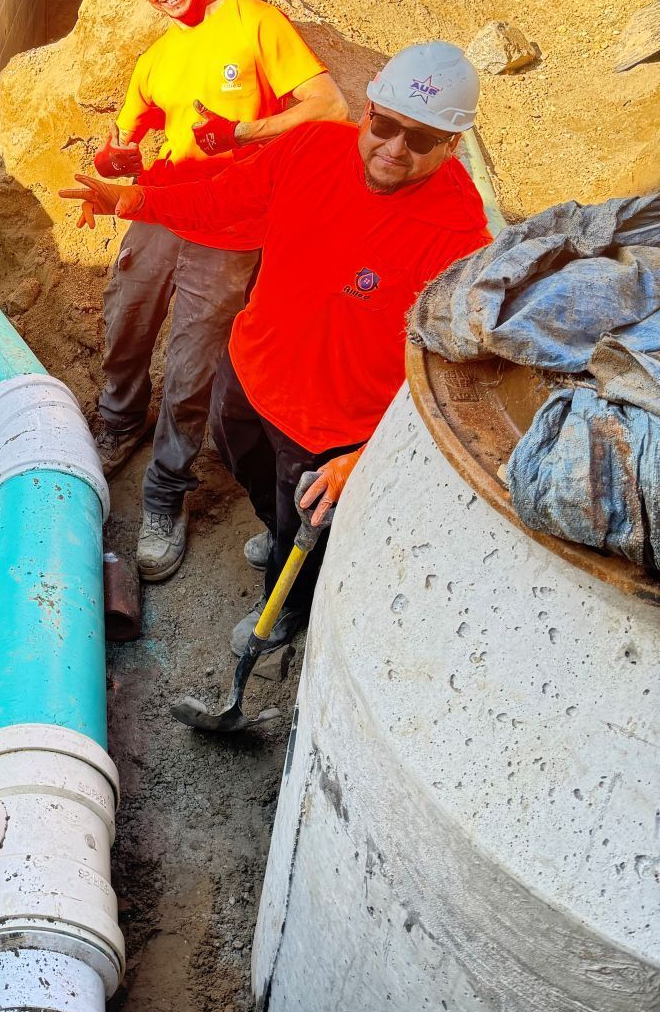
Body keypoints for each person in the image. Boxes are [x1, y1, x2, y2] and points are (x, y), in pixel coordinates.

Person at [63, 41, 491, 658]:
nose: (394, 149)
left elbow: (450, 371)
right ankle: (276, 526)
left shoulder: (458, 237)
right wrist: (137, 201)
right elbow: (224, 199)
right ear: (369, 108)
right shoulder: (312, 147)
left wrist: (366, 454)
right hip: (253, 368)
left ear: (451, 146)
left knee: (306, 525)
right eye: (387, 126)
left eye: (421, 140)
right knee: (244, 462)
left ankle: (287, 611)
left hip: (335, 424)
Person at [92, 0, 347, 584]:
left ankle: (165, 494)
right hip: (161, 209)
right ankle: (117, 423)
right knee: (125, 319)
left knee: (192, 363)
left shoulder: (254, 24)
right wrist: (115, 162)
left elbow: (328, 106)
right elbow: (125, 142)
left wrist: (240, 136)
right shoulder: (156, 61)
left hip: (232, 227)